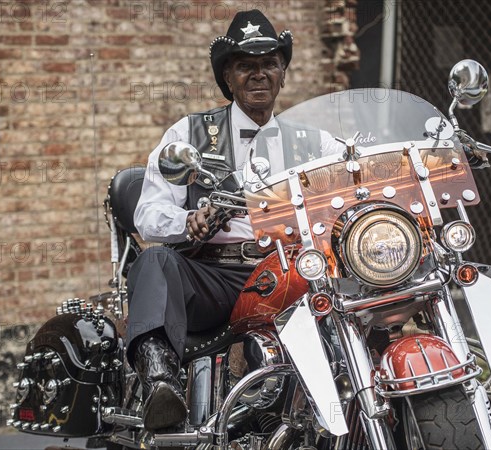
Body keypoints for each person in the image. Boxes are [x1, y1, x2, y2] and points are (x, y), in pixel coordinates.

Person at [126, 9, 336, 432]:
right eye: (245, 66)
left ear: (282, 73)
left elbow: (353, 188)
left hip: (290, 273)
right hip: (214, 276)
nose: (259, 75)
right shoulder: (188, 134)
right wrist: (189, 220)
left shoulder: (317, 143)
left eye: (269, 64)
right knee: (154, 262)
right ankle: (160, 384)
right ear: (228, 77)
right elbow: (147, 214)